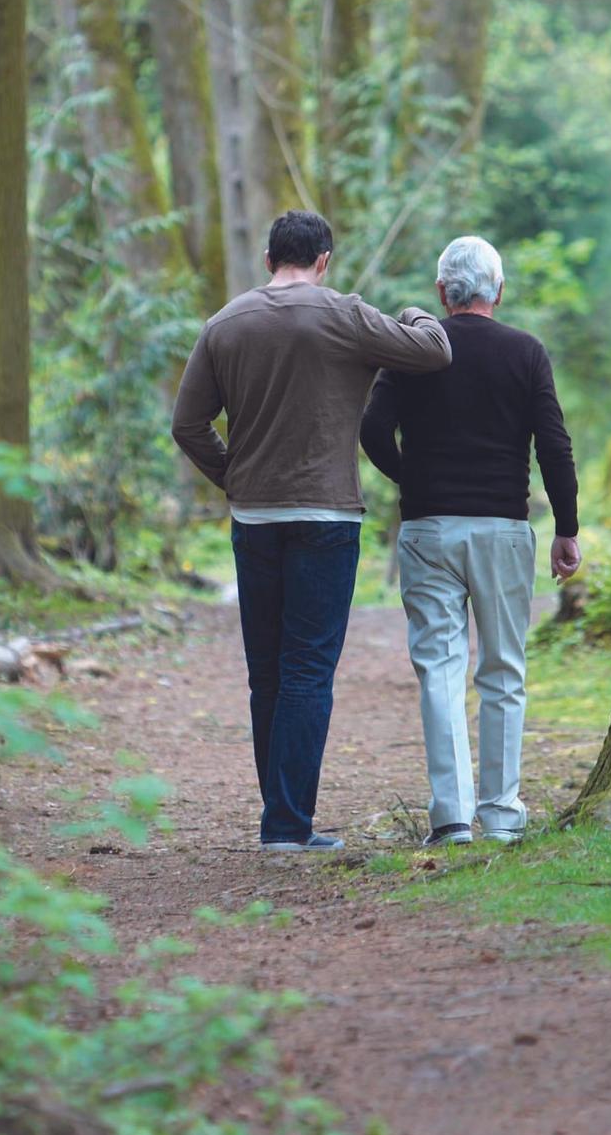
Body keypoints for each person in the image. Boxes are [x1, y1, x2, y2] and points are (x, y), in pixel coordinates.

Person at [172, 209, 452, 851]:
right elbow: (435, 351)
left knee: (265, 674)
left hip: (255, 517)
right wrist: (414, 312)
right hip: (326, 515)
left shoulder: (226, 323)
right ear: (322, 260)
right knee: (306, 672)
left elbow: (188, 425)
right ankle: (287, 828)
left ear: (269, 259)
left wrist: (235, 477)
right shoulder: (344, 314)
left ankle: (282, 822)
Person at [360, 235, 581, 847]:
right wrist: (567, 527)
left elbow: (373, 429)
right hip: (503, 530)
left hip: (429, 529)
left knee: (439, 666)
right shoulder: (526, 352)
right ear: (499, 291)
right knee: (503, 669)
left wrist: (414, 479)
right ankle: (502, 815)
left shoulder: (413, 353)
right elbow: (553, 445)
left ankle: (451, 816)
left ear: (441, 293)